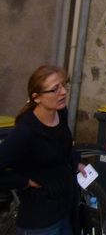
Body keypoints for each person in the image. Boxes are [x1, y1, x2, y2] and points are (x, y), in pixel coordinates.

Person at [0, 65, 86, 235]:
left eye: (63, 85)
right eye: (55, 89)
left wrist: (75, 162)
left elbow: (63, 146)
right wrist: (24, 182)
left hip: (65, 210)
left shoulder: (59, 112)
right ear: (37, 97)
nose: (63, 92)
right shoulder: (25, 132)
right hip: (41, 221)